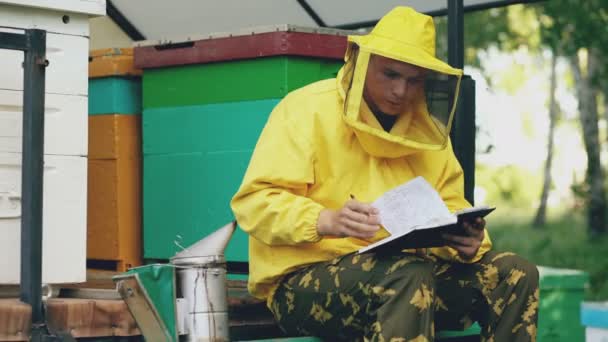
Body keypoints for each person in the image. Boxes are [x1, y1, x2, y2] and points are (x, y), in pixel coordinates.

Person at [231, 6, 539, 341]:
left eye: (413, 80)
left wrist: (467, 243)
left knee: (515, 273)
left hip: (409, 276)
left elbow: (450, 204)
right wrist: (324, 220)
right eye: (390, 75)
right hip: (301, 285)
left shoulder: (427, 132)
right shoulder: (305, 110)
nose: (400, 91)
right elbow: (255, 202)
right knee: (408, 275)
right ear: (361, 63)